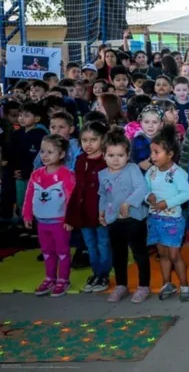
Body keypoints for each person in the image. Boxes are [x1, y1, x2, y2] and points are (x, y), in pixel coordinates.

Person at [100, 129, 151, 303]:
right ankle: (121, 285)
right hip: (114, 220)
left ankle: (143, 285)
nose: (115, 159)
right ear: (104, 156)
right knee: (118, 255)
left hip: (135, 219)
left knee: (140, 254)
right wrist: (102, 212)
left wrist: (127, 203)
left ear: (128, 155)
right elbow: (103, 195)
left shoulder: (133, 169)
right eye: (111, 155)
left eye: (120, 155)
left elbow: (141, 189)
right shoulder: (103, 174)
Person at [24, 135, 76, 297]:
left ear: (61, 155)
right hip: (42, 222)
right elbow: (29, 195)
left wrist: (69, 218)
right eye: (42, 151)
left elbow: (71, 198)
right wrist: (27, 215)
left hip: (60, 222)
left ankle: (63, 279)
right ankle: (50, 277)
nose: (45, 155)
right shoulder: (36, 175)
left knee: (62, 251)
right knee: (47, 251)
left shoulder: (66, 175)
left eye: (50, 152)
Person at [144, 125, 189, 302]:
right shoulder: (151, 172)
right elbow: (145, 189)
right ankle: (167, 284)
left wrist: (167, 203)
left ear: (170, 154)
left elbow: (186, 194)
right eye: (152, 152)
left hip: (172, 220)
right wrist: (147, 196)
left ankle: (185, 284)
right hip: (155, 218)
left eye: (157, 152)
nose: (152, 156)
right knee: (162, 254)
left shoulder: (178, 173)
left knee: (174, 255)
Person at [66, 122, 111, 294]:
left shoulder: (107, 160)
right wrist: (71, 216)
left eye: (93, 140)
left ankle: (104, 274)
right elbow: (77, 189)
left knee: (103, 244)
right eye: (84, 140)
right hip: (84, 213)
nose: (88, 144)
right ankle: (96, 273)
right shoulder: (80, 161)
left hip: (101, 214)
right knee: (90, 245)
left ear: (103, 140)